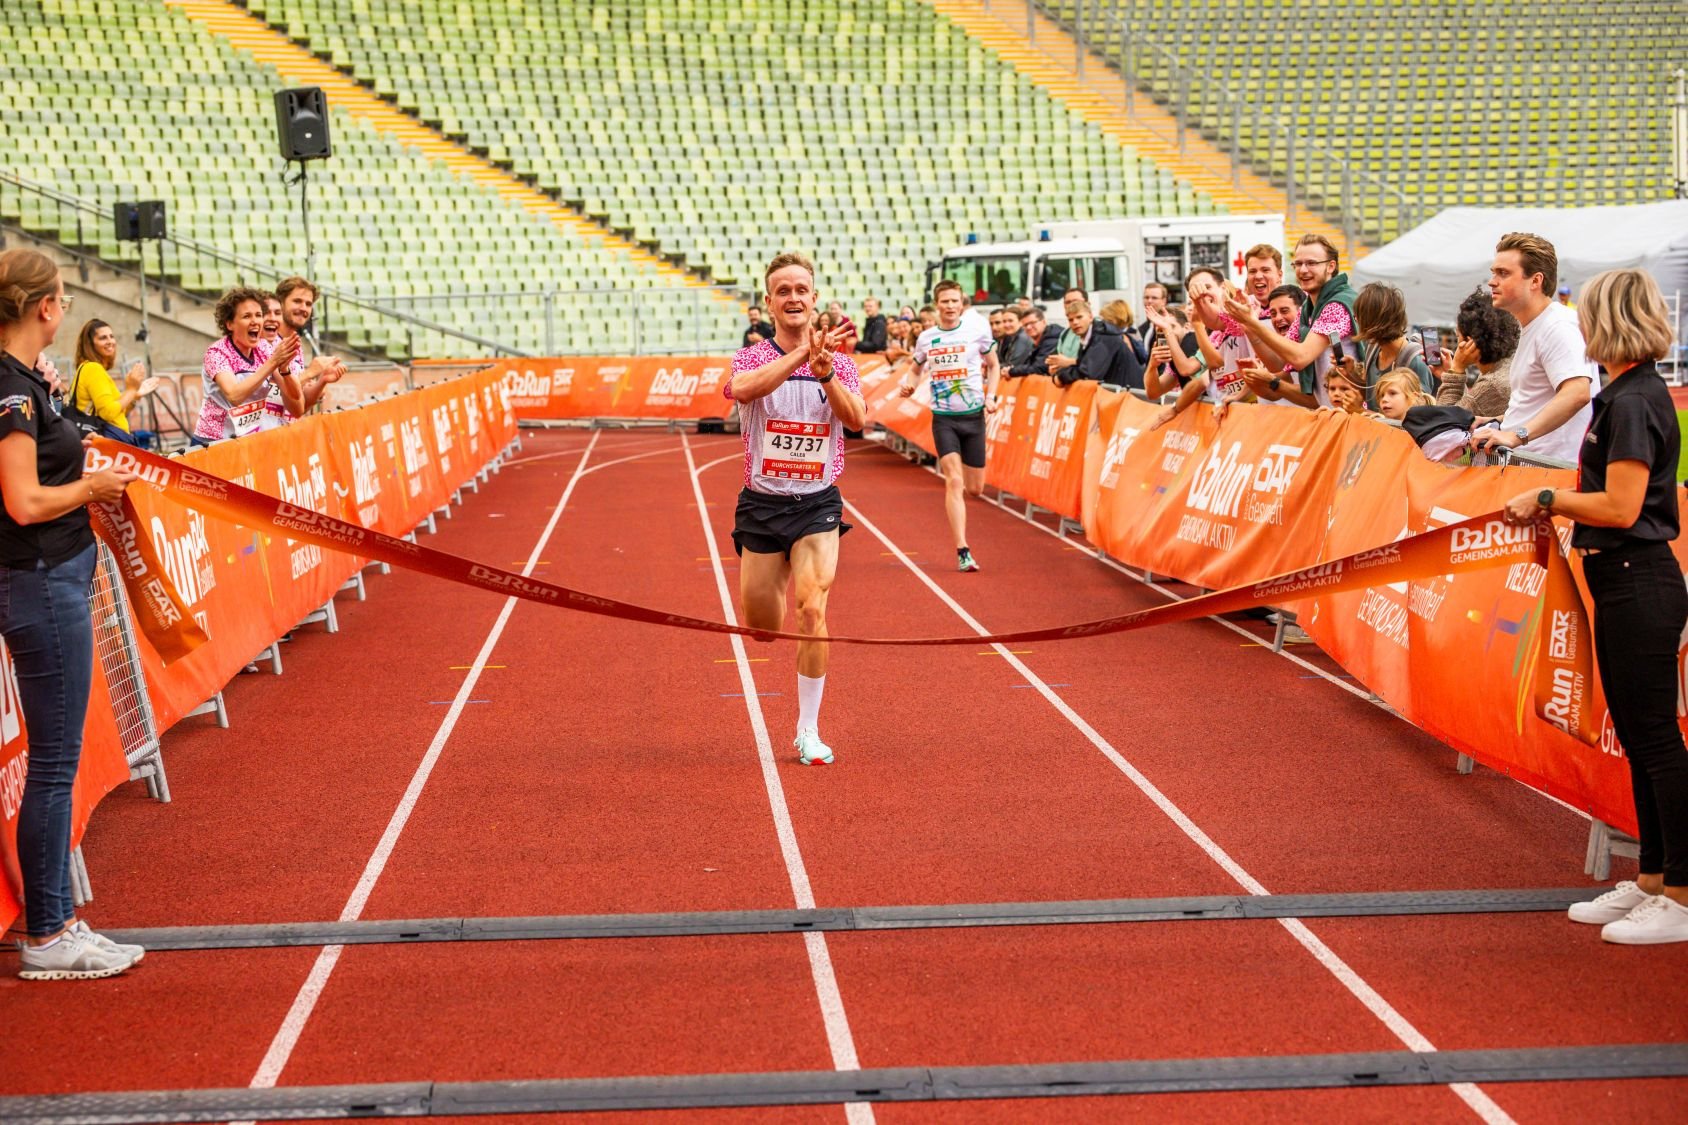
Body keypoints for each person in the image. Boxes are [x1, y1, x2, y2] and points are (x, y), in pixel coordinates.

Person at [1503, 269, 1688, 944]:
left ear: (1610, 321)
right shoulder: (1624, 394)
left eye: (1586, 312)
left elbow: (1621, 506)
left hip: (1639, 578)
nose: (1577, 323)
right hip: (1621, 578)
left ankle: (1680, 895)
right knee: (1640, 737)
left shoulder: (1635, 399)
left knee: (1656, 739)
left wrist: (1548, 498)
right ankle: (1653, 879)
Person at [0, 248, 144, 979]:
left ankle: (55, 921)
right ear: (45, 307)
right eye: (62, 298)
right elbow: (23, 502)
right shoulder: (12, 390)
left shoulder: (27, 381)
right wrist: (92, 489)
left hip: (48, 575)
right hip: (39, 578)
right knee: (55, 764)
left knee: (57, 762)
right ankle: (49, 931)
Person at [726, 252, 865, 766]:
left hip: (817, 504)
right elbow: (743, 389)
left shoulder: (840, 363)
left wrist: (826, 375)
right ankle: (776, 578)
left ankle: (808, 728)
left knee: (812, 609)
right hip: (762, 506)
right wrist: (803, 355)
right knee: (764, 628)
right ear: (769, 302)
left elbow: (857, 421)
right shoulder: (750, 357)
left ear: (814, 298)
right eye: (782, 290)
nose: (793, 297)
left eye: (801, 289)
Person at [901, 279, 1000, 573]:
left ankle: (964, 530)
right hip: (944, 418)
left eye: (955, 301)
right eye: (945, 301)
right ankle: (962, 550)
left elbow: (994, 365)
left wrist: (991, 397)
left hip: (974, 417)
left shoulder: (977, 331)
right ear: (937, 304)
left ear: (962, 303)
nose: (950, 306)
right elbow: (915, 369)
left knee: (975, 489)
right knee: (954, 480)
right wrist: (909, 384)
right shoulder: (927, 338)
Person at [1473, 233, 1593, 463]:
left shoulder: (1558, 326)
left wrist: (1515, 435)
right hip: (1532, 467)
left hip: (1549, 471)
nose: (1492, 281)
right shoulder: (1539, 324)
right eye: (1493, 272)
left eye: (1503, 273)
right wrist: (1498, 420)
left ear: (1536, 281)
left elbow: (1577, 392)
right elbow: (1537, 401)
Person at [1223, 234, 1357, 409]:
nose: (1303, 270)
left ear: (1331, 266)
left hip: (1353, 417)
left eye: (1311, 263)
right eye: (1298, 264)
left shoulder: (1336, 305)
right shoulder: (1307, 309)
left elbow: (1300, 357)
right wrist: (1250, 325)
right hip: (1329, 414)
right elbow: (1279, 363)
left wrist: (1252, 322)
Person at [192, 287, 304, 442]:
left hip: (246, 441)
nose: (255, 321)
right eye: (247, 316)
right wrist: (273, 362)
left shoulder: (264, 348)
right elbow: (234, 396)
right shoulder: (217, 353)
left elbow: (297, 404)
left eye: (258, 315)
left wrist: (285, 370)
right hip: (212, 441)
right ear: (230, 324)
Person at [1432, 285, 1518, 417]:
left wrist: (1456, 369)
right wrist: (1454, 377)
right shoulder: (1507, 365)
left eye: (1458, 334)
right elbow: (1471, 404)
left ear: (1469, 342)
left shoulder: (1492, 385)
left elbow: (1443, 421)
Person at [1344, 283, 1433, 406]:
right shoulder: (1372, 348)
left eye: (1358, 317)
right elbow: (1371, 396)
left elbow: (1418, 414)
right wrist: (1351, 373)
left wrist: (1361, 410)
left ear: (1373, 320)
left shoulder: (1415, 362)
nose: (1357, 321)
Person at [273, 277, 345, 420]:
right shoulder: (265, 341)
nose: (303, 308)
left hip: (286, 429)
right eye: (297, 301)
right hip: (262, 431)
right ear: (280, 302)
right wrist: (310, 373)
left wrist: (322, 382)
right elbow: (266, 394)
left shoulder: (296, 344)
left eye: (308, 304)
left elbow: (299, 408)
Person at [71, 319, 159, 435]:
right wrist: (131, 389)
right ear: (90, 344)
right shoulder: (93, 369)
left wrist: (135, 395)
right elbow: (108, 413)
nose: (110, 341)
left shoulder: (94, 369)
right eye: (103, 338)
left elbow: (117, 412)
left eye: (111, 336)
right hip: (105, 442)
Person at [1239, 285, 1306, 407]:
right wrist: (1253, 377)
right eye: (1273, 314)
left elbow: (1314, 398)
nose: (1278, 318)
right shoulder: (1282, 348)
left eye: (1284, 311)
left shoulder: (1315, 340)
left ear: (1302, 311)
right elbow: (1274, 393)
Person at [1058, 295, 1141, 391]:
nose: (1075, 322)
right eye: (1070, 320)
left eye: (1079, 317)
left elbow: (1089, 372)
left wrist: (1061, 377)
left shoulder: (1103, 336)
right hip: (1121, 392)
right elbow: (1084, 366)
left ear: (1090, 317)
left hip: (1131, 394)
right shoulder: (1089, 338)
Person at [1142, 303, 1204, 402]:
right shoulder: (1174, 357)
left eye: (1171, 327)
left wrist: (1167, 329)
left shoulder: (1191, 339)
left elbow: (1186, 369)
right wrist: (1152, 366)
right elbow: (1153, 393)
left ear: (1187, 327)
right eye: (1160, 329)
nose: (1165, 332)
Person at [1008, 306, 1059, 378]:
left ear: (1043, 322)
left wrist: (1011, 371)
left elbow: (1039, 368)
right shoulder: (1038, 341)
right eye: (1025, 325)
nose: (1028, 327)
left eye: (1032, 323)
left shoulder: (1052, 338)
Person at [1100, 299, 1148, 364]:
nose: (1104, 323)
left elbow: (1142, 357)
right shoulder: (1132, 332)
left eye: (1106, 320)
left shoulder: (1130, 333)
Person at [993, 307, 1033, 372]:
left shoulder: (1022, 338)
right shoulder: (1013, 337)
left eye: (1010, 321)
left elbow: (1012, 365)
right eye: (1004, 321)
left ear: (1021, 322)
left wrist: (991, 366)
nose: (1006, 325)